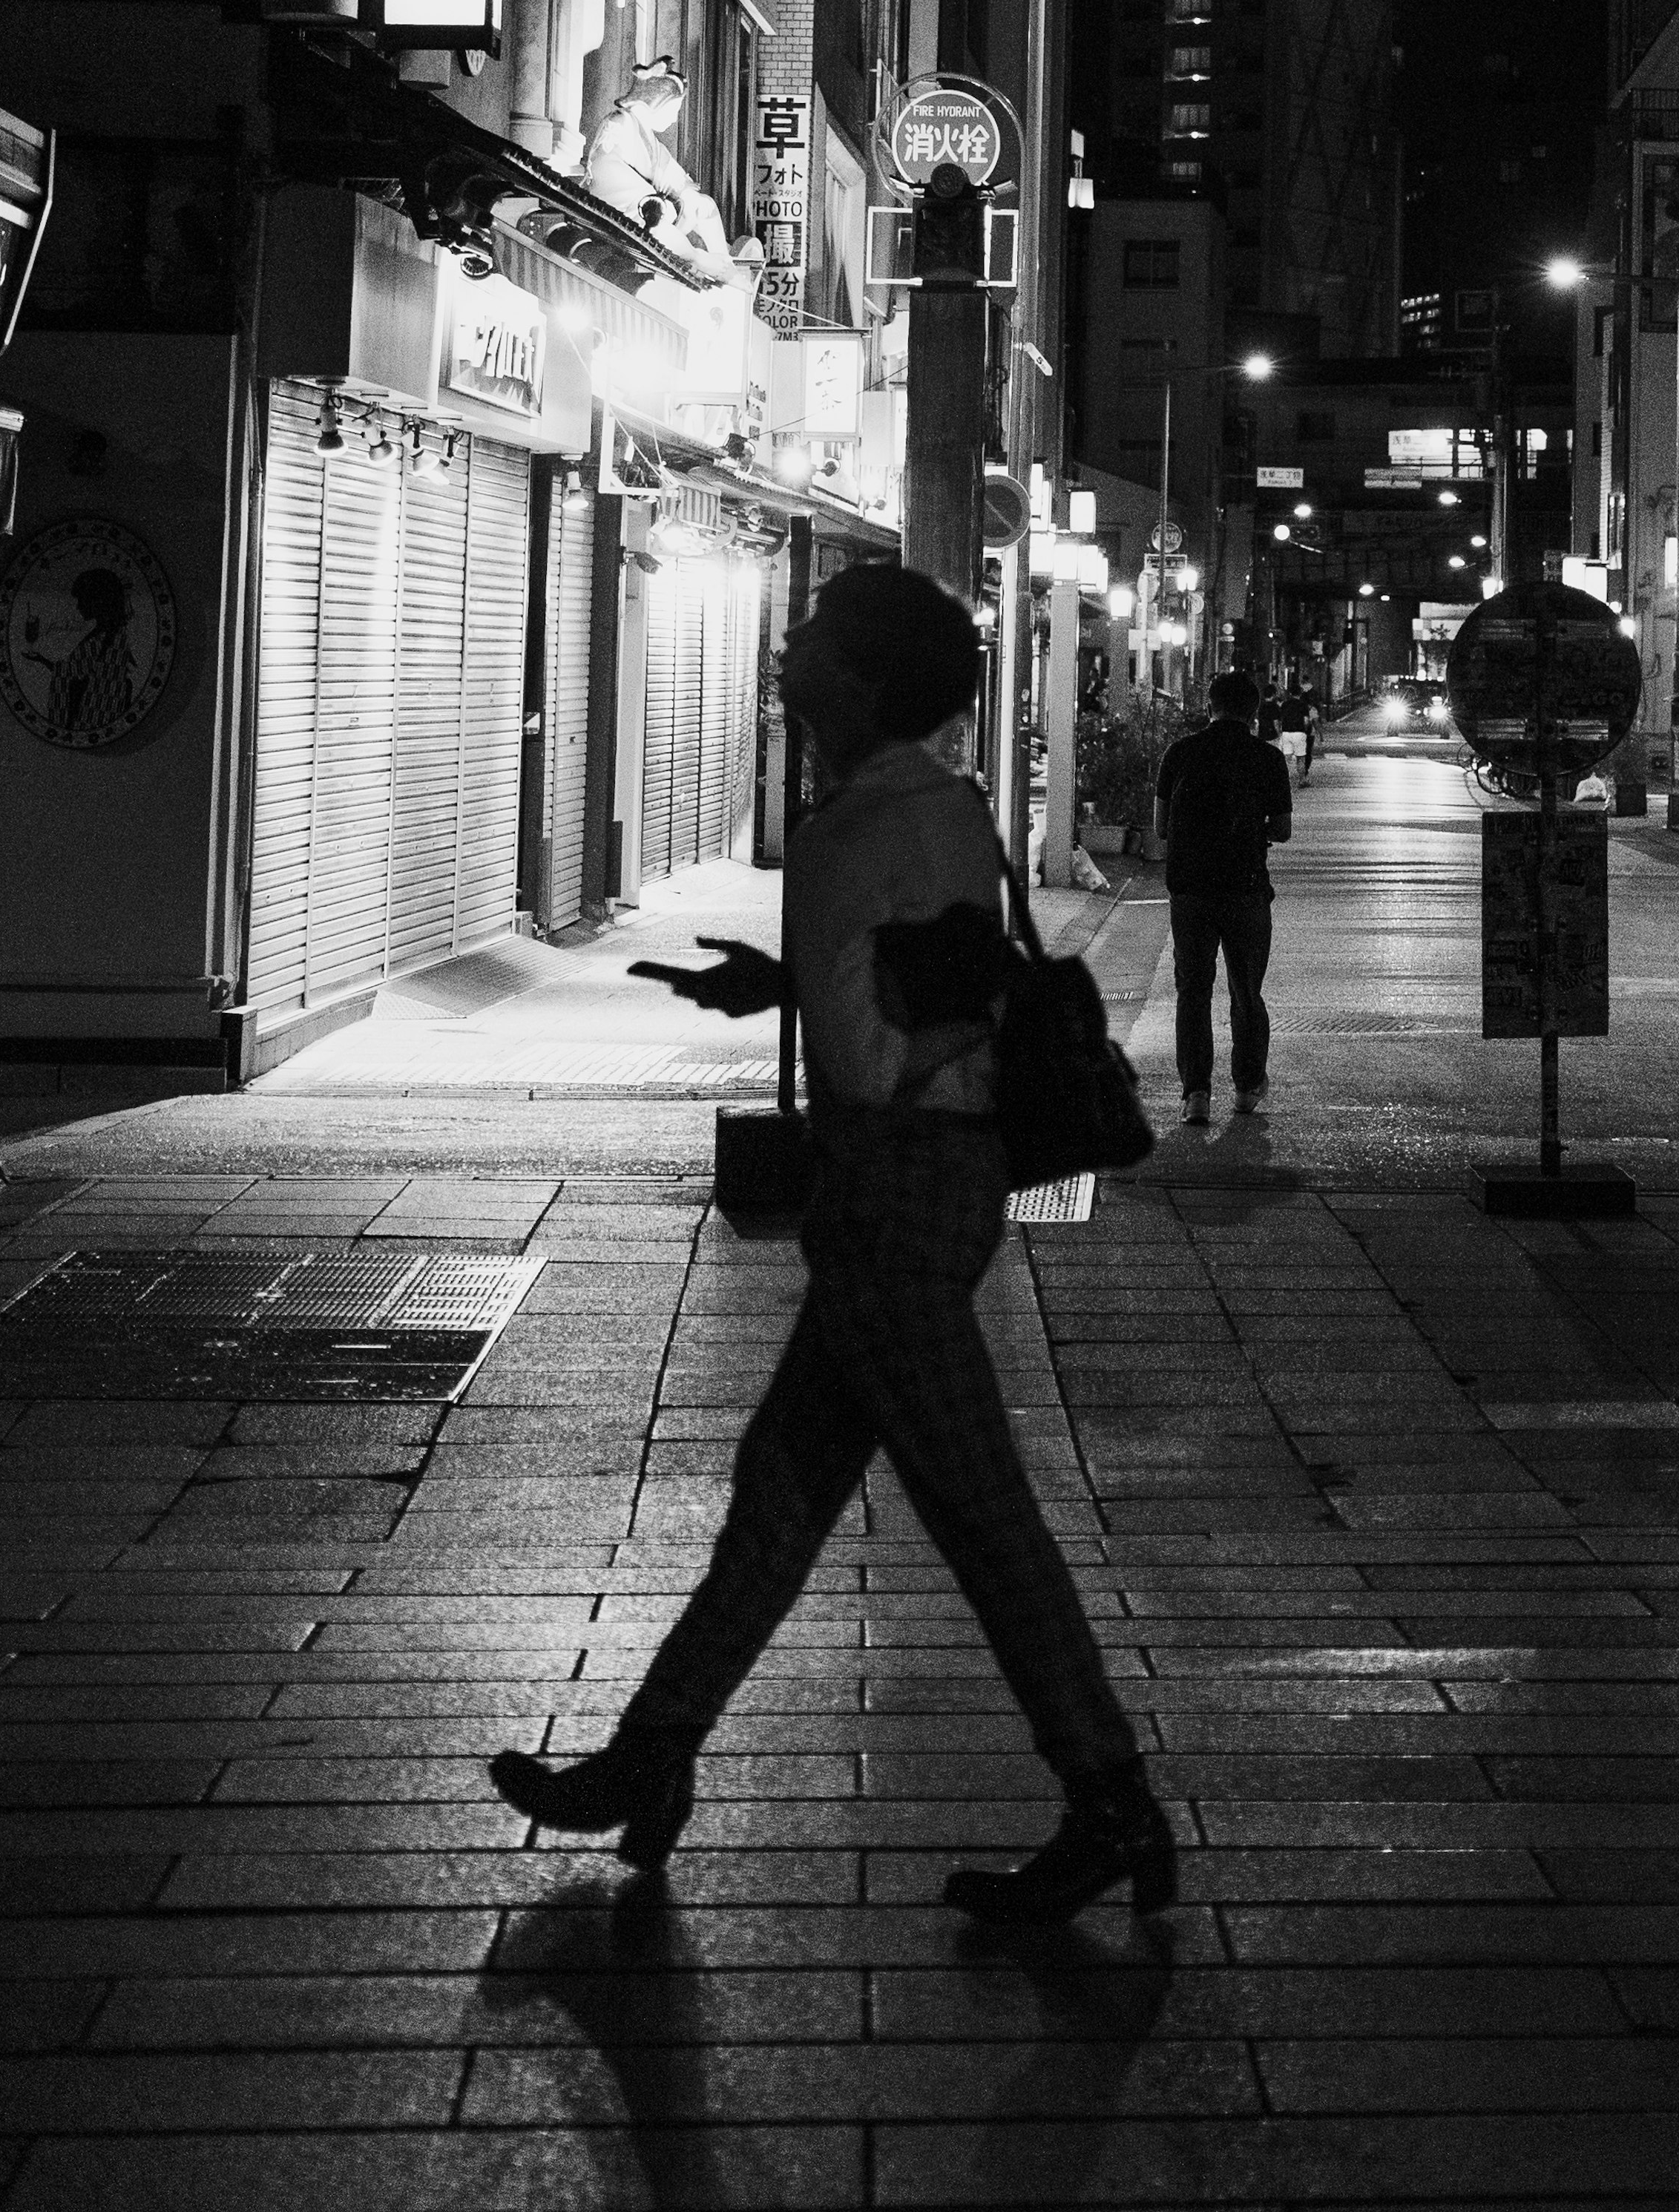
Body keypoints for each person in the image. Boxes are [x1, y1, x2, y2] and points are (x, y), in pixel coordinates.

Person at [487, 565, 1174, 1930]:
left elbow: (869, 1055)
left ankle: (1111, 1800)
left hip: (893, 1192)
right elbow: (929, 976)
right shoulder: (945, 804)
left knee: (983, 1516)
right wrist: (787, 982)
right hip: (951, 1179)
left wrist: (817, 1003)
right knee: (781, 1489)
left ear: (855, 680)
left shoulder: (852, 825)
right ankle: (649, 1755)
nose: (787, 655)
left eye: (809, 641)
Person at [1155, 667, 1295, 1128]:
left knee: (1192, 991)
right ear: (1255, 712)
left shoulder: (1180, 753)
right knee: (1246, 991)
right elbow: (1283, 830)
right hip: (1246, 888)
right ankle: (1247, 1088)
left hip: (1191, 891)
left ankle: (1196, 1093)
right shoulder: (1267, 760)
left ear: (1209, 706)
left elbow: (1159, 829)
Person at [1276, 668, 1316, 785]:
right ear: (1300, 693)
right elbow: (1306, 721)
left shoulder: (1285, 704)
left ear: (1290, 693)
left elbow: (1280, 719)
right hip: (1299, 732)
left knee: (1286, 758)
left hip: (1286, 732)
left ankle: (1284, 780)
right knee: (1301, 758)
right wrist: (1306, 729)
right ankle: (1302, 780)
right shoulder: (1303, 705)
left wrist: (1280, 731)